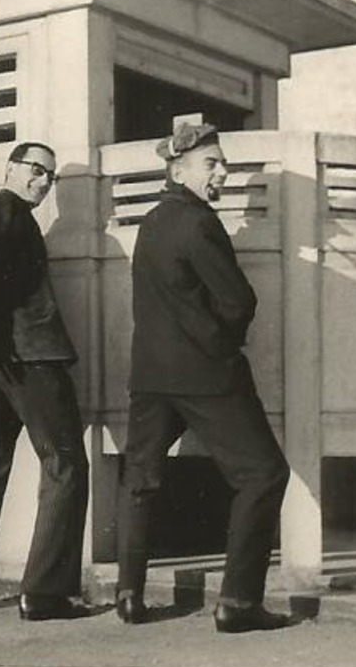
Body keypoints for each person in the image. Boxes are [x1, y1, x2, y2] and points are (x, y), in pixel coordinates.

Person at [115, 122, 292, 632]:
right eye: (211, 163)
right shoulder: (199, 223)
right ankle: (238, 604)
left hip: (149, 376)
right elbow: (239, 301)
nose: (222, 171)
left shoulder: (150, 223)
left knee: (139, 480)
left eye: (222, 163)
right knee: (263, 474)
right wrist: (221, 339)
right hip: (206, 375)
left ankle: (130, 595)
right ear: (178, 169)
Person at [0, 141, 91, 621]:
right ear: (10, 169)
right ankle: (44, 594)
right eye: (36, 170)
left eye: (50, 177)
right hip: (28, 358)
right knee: (66, 463)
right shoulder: (4, 210)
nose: (43, 182)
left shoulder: (7, 213)